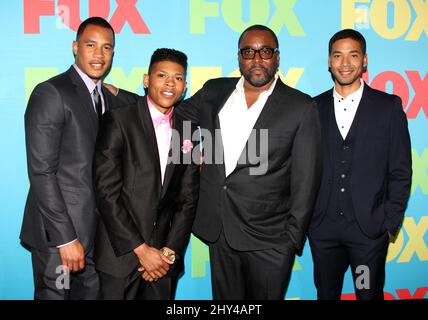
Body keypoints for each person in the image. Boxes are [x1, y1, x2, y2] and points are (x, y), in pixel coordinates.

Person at [175, 24, 322, 299]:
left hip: (270, 240)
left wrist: (289, 242)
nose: (256, 59)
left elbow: (307, 181)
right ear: (238, 57)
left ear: (277, 57)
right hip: (219, 231)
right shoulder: (214, 91)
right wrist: (194, 156)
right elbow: (179, 114)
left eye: (265, 51)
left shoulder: (300, 107)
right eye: (248, 51)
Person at [20, 17, 130, 299]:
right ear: (75, 47)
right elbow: (42, 172)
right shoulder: (52, 92)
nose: (99, 54)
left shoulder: (106, 97)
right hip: (59, 240)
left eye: (107, 48)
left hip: (95, 238)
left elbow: (146, 104)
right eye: (91, 45)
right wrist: (65, 238)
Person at [308, 29, 412, 300]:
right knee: (326, 294)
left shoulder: (387, 107)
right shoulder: (312, 108)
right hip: (323, 232)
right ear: (328, 61)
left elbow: (400, 170)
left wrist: (390, 222)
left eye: (353, 55)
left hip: (367, 234)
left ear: (364, 60)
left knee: (367, 294)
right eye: (337, 56)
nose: (345, 63)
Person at [93, 48, 200, 300]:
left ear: (185, 86)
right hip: (120, 258)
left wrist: (169, 252)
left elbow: (188, 199)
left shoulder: (190, 130)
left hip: (164, 262)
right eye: (162, 75)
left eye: (178, 78)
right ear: (146, 80)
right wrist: (142, 251)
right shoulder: (119, 120)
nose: (169, 84)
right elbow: (106, 192)